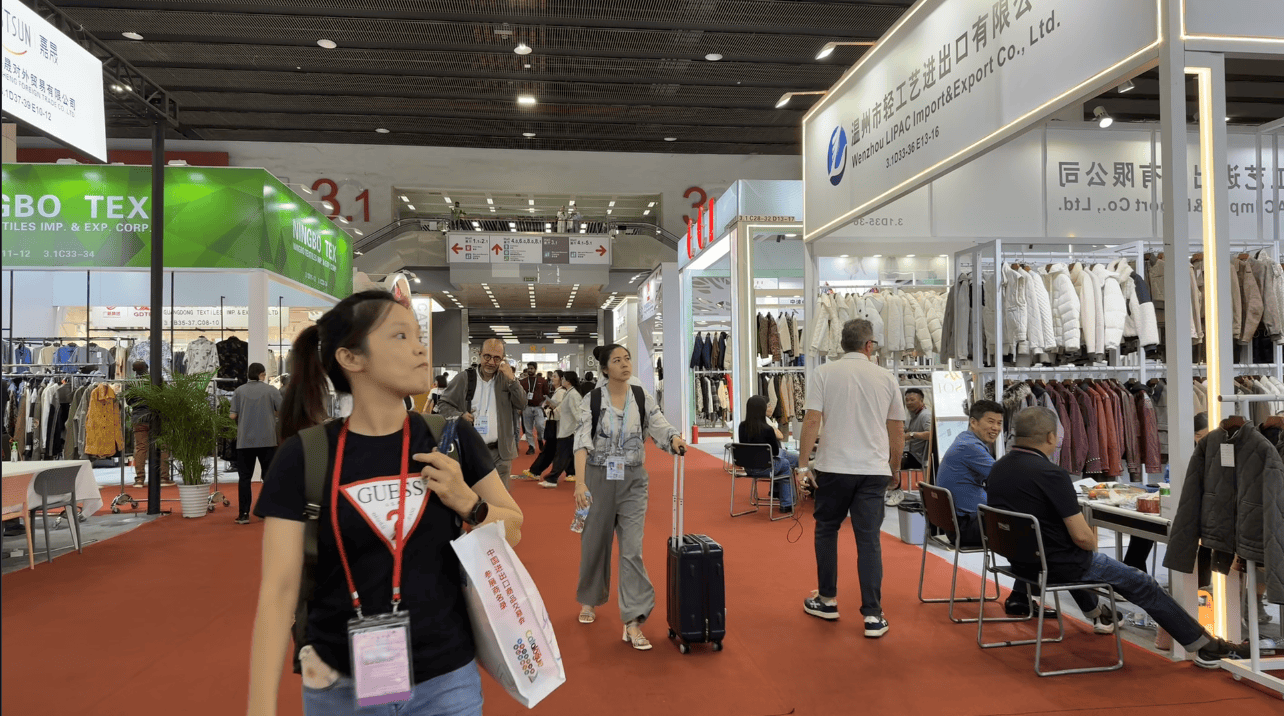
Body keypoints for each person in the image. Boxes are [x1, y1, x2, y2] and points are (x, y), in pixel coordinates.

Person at [248, 290, 524, 716]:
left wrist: (468, 502)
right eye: (400, 336)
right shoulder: (306, 456)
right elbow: (278, 591)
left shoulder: (450, 440)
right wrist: (260, 706)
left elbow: (514, 528)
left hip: (446, 680)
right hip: (341, 682)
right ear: (351, 359)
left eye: (418, 336)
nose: (419, 347)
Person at [987, 407, 1245, 668]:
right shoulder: (1051, 474)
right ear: (1051, 438)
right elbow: (1084, 540)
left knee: (1088, 563)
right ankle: (1204, 646)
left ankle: (1101, 615)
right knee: (1143, 583)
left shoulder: (997, 469)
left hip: (1021, 563)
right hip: (1058, 566)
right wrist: (1087, 541)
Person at [574, 344, 688, 649]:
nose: (625, 364)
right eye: (617, 360)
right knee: (595, 543)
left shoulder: (640, 395)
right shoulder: (592, 400)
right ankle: (589, 599)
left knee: (632, 549)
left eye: (627, 359)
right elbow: (582, 442)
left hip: (634, 481)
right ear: (605, 368)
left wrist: (673, 437)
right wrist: (580, 484)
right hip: (598, 479)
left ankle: (633, 620)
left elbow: (658, 422)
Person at [796, 319, 903, 638]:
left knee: (826, 531)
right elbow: (896, 428)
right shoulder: (886, 377)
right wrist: (894, 468)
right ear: (869, 346)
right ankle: (873, 615)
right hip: (873, 470)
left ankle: (827, 600)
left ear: (842, 344)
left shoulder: (824, 373)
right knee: (868, 540)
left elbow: (811, 419)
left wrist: (803, 465)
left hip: (833, 467)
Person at [934, 399, 1048, 617]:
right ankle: (1021, 597)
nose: (995, 428)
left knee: (1027, 528)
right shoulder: (970, 447)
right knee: (1035, 532)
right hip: (966, 526)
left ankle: (1021, 596)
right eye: (990, 422)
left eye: (999, 423)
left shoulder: (964, 441)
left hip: (958, 522)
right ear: (973, 422)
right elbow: (1006, 478)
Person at [437, 340, 526, 489]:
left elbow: (522, 404)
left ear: (503, 359)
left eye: (497, 358)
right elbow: (443, 404)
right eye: (487, 356)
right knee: (473, 500)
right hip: (471, 451)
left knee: (501, 502)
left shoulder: (506, 379)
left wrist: (513, 380)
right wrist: (459, 416)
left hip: (501, 453)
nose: (491, 362)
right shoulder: (464, 378)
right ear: (479, 355)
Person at [229, 362, 283, 524]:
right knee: (268, 476)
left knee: (244, 478)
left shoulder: (239, 391)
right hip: (267, 439)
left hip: (245, 440)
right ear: (261, 374)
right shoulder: (271, 390)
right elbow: (282, 409)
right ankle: (267, 511)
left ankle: (244, 514)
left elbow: (232, 416)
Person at [737, 395, 796, 513]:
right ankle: (787, 502)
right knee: (786, 463)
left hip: (749, 468)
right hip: (766, 468)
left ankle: (783, 499)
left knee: (784, 457)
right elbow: (774, 451)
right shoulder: (767, 429)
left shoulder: (742, 427)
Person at [127, 360, 172, 488]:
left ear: (134, 370)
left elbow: (129, 402)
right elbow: (164, 396)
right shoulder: (157, 380)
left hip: (138, 418)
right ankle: (164, 478)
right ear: (147, 368)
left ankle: (139, 480)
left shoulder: (130, 383)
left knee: (141, 448)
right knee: (163, 446)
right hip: (156, 417)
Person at [539, 372, 589, 488]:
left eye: (563, 379)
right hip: (566, 430)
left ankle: (552, 478)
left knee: (561, 456)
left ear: (569, 381)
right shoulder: (569, 393)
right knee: (565, 456)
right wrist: (548, 411)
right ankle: (558, 476)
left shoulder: (573, 395)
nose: (561, 380)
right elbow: (561, 410)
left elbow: (577, 414)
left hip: (569, 431)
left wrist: (580, 428)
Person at [519, 373, 565, 481]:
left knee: (554, 450)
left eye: (555, 376)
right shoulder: (557, 392)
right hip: (554, 422)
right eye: (552, 376)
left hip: (557, 423)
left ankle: (541, 472)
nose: (552, 379)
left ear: (562, 379)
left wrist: (547, 408)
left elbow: (559, 410)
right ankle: (537, 471)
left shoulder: (561, 392)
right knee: (552, 450)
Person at [518, 363, 548, 455]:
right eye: (528, 368)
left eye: (531, 368)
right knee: (528, 429)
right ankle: (531, 447)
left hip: (538, 407)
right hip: (526, 407)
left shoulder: (542, 380)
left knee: (540, 426)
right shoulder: (522, 382)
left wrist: (545, 404)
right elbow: (519, 395)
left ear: (535, 369)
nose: (529, 370)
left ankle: (540, 439)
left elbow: (546, 393)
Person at [902, 388, 932, 470]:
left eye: (912, 400)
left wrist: (912, 435)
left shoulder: (925, 415)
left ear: (921, 400)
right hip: (912, 453)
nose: (909, 403)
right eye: (907, 400)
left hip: (918, 459)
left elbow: (931, 434)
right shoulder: (913, 414)